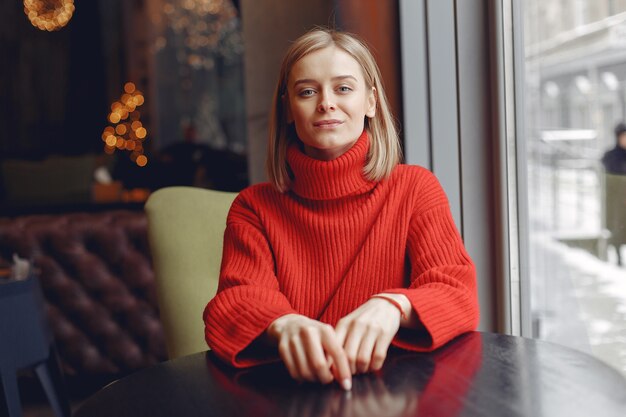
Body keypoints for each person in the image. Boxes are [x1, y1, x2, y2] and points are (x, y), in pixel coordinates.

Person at [203, 28, 479, 391]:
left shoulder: (415, 188)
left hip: (396, 396)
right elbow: (233, 305)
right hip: (290, 397)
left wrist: (392, 306)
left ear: (371, 102)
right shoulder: (253, 208)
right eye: (307, 91)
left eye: (343, 88)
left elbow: (457, 292)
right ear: (288, 108)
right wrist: (283, 324)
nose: (326, 103)